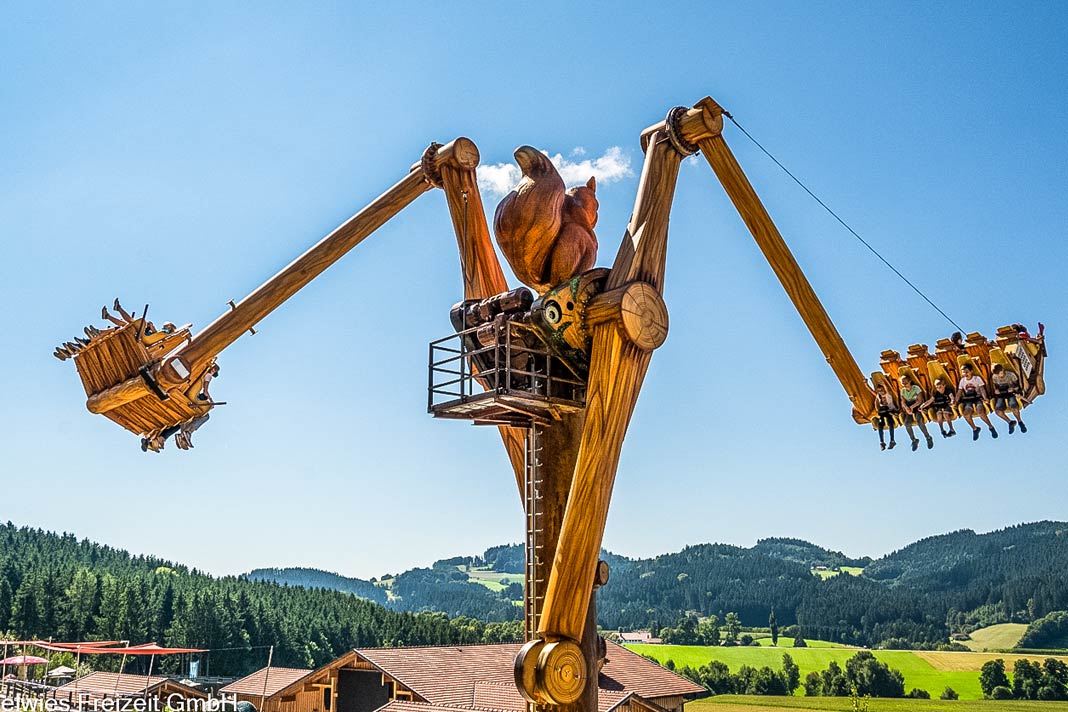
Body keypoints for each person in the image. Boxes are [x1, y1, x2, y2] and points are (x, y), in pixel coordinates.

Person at [956, 363, 996, 440]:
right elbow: (959, 392)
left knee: (980, 412)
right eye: (963, 372)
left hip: (977, 398)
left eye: (967, 372)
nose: (965, 374)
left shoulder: (977, 378)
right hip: (968, 399)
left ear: (971, 371)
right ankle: (975, 429)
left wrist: (985, 398)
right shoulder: (962, 381)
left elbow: (982, 389)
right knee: (966, 414)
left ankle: (991, 427)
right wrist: (956, 401)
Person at [899, 374, 934, 450]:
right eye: (903, 383)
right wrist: (907, 408)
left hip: (917, 405)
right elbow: (903, 402)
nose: (904, 384)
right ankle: (914, 440)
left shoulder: (916, 388)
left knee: (919, 421)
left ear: (910, 381)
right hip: (909, 406)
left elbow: (920, 400)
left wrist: (911, 407)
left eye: (906, 382)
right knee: (907, 423)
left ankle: (928, 437)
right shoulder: (902, 391)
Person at [990, 364, 1027, 434]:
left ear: (1002, 370)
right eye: (997, 374)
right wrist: (996, 391)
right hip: (1001, 394)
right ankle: (1010, 422)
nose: (999, 376)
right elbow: (995, 387)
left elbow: (1018, 387)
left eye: (999, 373)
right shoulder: (994, 377)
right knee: (998, 411)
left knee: (1013, 407)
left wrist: (1013, 389)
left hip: (1011, 394)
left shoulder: (1011, 375)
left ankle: (1020, 421)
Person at [873, 384, 897, 451]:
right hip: (883, 413)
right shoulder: (879, 397)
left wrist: (884, 384)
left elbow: (887, 390)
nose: (880, 392)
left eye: (881, 390)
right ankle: (882, 442)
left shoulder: (888, 395)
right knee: (880, 425)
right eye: (879, 391)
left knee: (890, 423)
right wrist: (866, 385)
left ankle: (892, 440)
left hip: (890, 412)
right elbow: (872, 391)